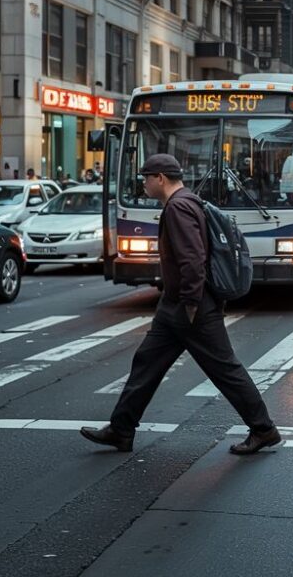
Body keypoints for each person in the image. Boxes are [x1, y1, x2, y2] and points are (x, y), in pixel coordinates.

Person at [80, 153, 280, 455]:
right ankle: (121, 429)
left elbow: (193, 260)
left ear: (160, 178)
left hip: (191, 308)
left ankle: (263, 429)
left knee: (225, 369)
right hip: (174, 307)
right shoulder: (187, 201)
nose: (144, 184)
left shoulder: (178, 208)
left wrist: (189, 303)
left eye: (146, 178)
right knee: (146, 363)